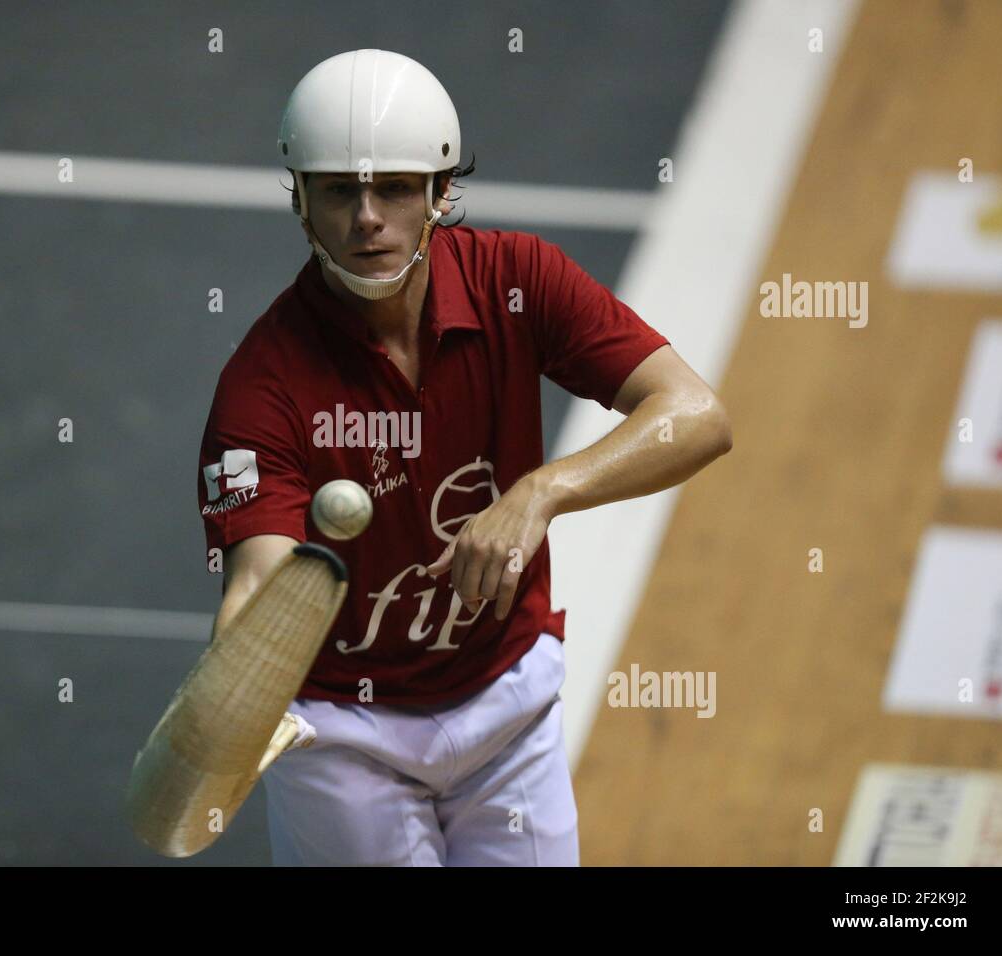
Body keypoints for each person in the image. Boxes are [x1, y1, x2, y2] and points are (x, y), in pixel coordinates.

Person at [197, 49, 732, 866]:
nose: (366, 218)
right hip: (346, 733)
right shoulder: (262, 388)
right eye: (339, 190)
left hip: (504, 704)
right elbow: (262, 581)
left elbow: (695, 414)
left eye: (396, 189)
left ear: (442, 194)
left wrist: (543, 492)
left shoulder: (517, 281)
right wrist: (238, 680)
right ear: (301, 202)